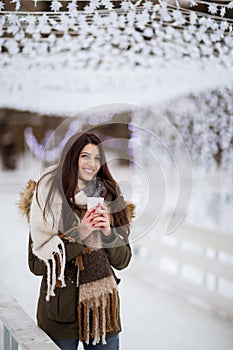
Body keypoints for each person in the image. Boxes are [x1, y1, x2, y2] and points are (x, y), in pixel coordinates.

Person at [20, 132, 134, 350]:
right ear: (72, 158)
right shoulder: (47, 198)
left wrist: (109, 232)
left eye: (97, 158)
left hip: (103, 312)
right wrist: (79, 235)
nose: (92, 164)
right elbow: (36, 265)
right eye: (85, 156)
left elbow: (123, 261)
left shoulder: (110, 197)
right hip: (60, 314)